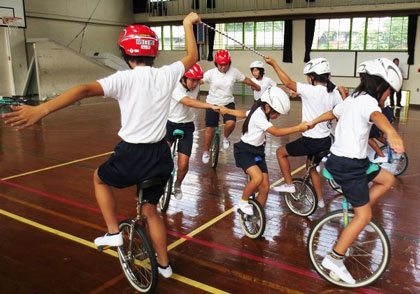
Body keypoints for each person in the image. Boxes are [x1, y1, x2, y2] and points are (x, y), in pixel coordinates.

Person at [2, 12, 201, 279]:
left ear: (124, 52)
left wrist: (42, 110)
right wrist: (188, 25)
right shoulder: (167, 74)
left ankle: (113, 233)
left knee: (99, 179)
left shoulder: (123, 79)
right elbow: (192, 56)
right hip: (160, 155)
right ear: (153, 53)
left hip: (132, 154)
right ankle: (164, 266)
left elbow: (83, 90)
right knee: (151, 211)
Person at [306, 57, 404, 284]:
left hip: (352, 162)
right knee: (365, 215)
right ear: (380, 85)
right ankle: (335, 258)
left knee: (387, 179)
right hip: (347, 165)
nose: (388, 96)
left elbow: (333, 113)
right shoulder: (368, 101)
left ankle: (358, 210)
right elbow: (377, 117)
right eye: (389, 91)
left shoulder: (353, 98)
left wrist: (313, 122)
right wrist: (391, 133)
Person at [267, 56, 343, 208]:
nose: (307, 80)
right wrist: (300, 94)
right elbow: (340, 111)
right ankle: (320, 200)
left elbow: (288, 82)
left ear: (312, 78)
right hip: (327, 140)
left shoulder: (310, 90)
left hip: (311, 141)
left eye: (308, 77)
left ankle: (289, 184)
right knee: (311, 167)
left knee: (280, 152)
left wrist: (274, 63)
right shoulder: (334, 92)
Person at [219, 87, 308, 215]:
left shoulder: (258, 110)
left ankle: (256, 215)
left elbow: (244, 113)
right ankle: (243, 201)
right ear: (267, 107)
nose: (277, 116)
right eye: (276, 113)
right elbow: (276, 133)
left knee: (265, 188)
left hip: (258, 152)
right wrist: (298, 128)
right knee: (257, 178)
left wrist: (227, 110)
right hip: (244, 151)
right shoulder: (259, 116)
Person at [165, 63, 220, 200]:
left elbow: (207, 79)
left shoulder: (195, 83)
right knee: (161, 157)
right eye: (192, 80)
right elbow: (188, 102)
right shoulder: (175, 87)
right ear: (184, 78)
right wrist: (210, 106)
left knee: (183, 164)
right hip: (169, 125)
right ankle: (160, 183)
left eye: (197, 81)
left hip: (187, 127)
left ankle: (177, 185)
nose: (195, 84)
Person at [201, 49, 261, 164]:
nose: (223, 67)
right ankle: (206, 152)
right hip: (212, 103)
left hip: (228, 102)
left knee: (231, 123)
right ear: (216, 63)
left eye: (225, 65)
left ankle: (225, 137)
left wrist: (256, 85)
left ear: (229, 63)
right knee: (210, 128)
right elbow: (199, 81)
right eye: (220, 65)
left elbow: (246, 80)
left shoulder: (234, 72)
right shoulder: (211, 73)